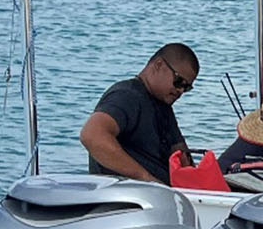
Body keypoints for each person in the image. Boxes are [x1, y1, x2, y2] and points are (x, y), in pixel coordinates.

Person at [82, 43, 198, 184]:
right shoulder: (127, 96)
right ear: (158, 65)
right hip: (129, 198)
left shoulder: (163, 105)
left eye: (187, 87)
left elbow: (182, 157)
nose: (180, 91)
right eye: (179, 81)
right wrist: (145, 179)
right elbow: (92, 136)